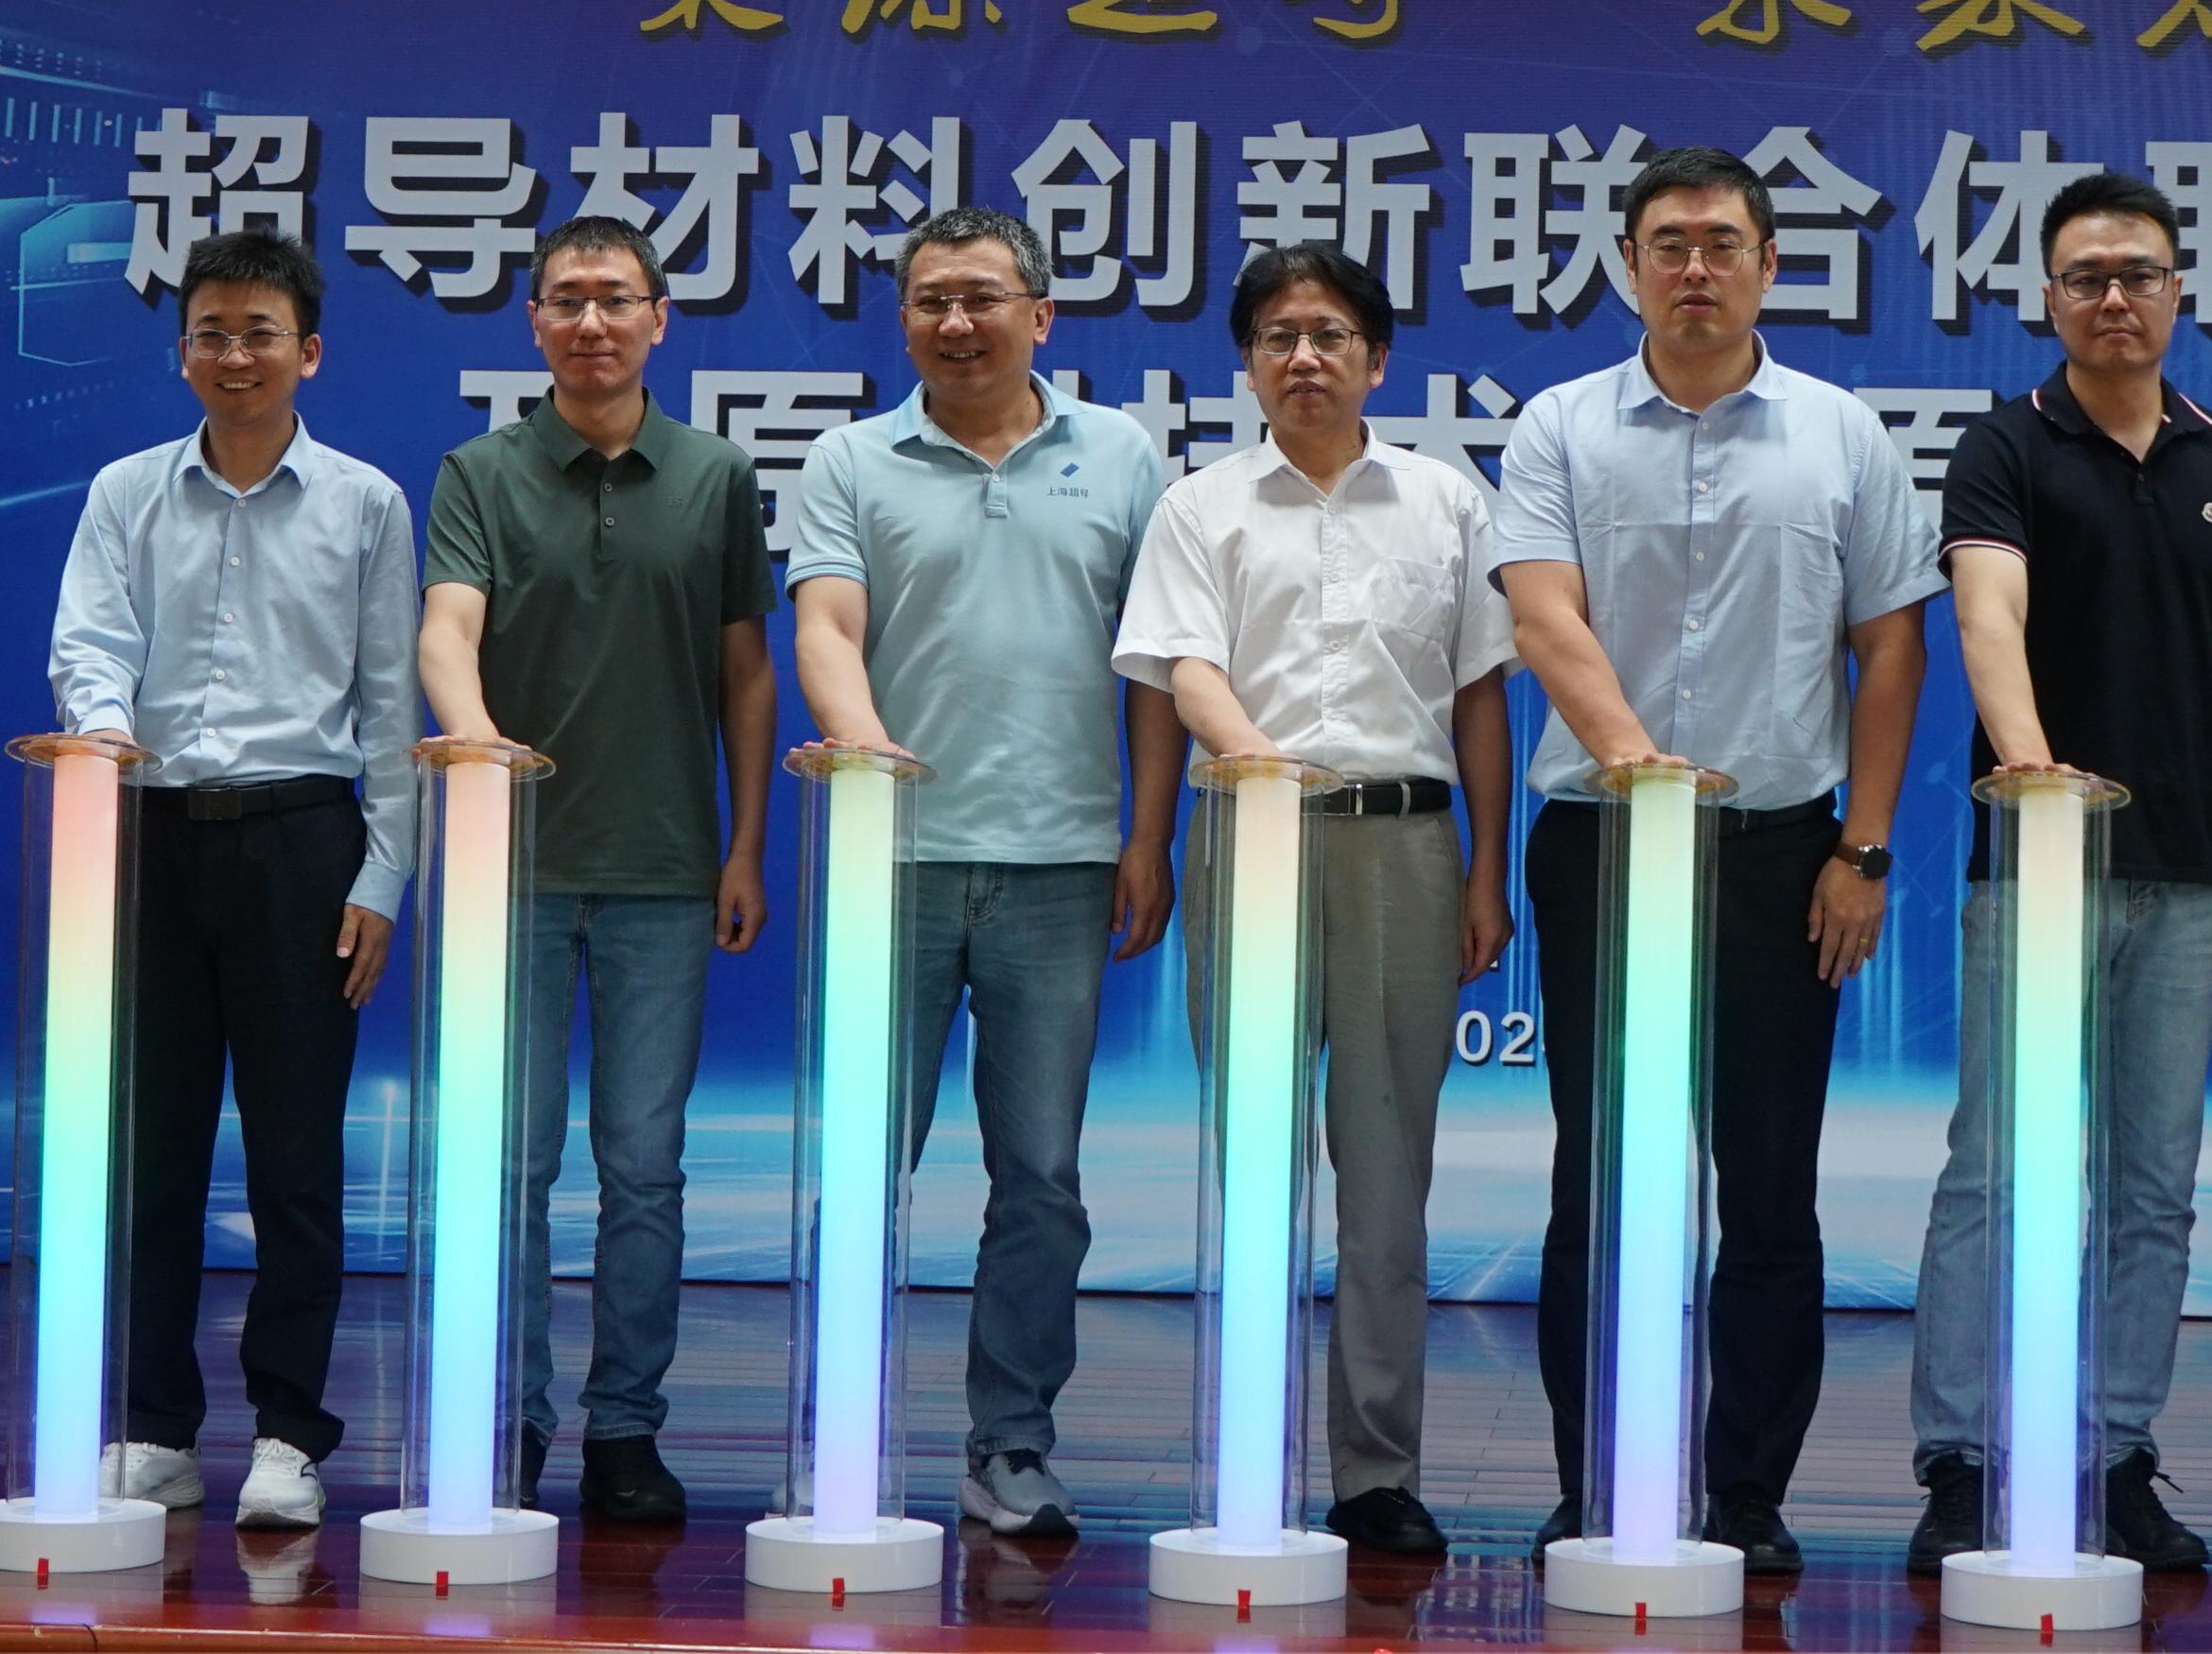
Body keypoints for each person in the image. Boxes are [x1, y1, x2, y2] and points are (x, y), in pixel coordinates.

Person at [1494, 145, 1942, 1573]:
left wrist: (1865, 847)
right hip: (1605, 844)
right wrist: (1647, 772)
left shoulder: (1841, 435)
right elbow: (1544, 619)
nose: (1696, 267)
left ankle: (1747, 1491)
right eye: (1670, 244)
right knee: (1599, 1184)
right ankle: (1599, 1481)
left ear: (1768, 265)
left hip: (1784, 856)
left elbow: (1890, 648)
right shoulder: (1559, 428)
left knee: (1769, 1188)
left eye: (1723, 244)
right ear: (1629, 264)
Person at [1904, 173, 2212, 1573]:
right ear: (2048, 298)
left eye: (2137, 274)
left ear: (2179, 291)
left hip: (2189, 875)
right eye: (2086, 277)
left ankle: (2113, 1451)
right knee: (1996, 1171)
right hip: (2037, 871)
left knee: (2153, 1186)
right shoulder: (2006, 444)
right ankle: (1961, 1462)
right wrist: (2034, 777)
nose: (2114, 297)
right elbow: (1986, 613)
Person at [1112, 244, 1519, 1557]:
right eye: (1278, 336)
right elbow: (1183, 670)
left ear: (1376, 359)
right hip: (1253, 842)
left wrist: (1488, 869)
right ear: (1248, 362)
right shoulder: (1201, 507)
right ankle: (1250, 1453)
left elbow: (1479, 697)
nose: (1304, 357)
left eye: (1331, 334)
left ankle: (1376, 1473)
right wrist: (1235, 792)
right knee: (1256, 1163)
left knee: (1389, 1180)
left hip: (1406, 848)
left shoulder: (1446, 503)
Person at [789, 205, 1184, 1538]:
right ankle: (839, 1436)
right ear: (905, 319)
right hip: (890, 865)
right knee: (862, 1166)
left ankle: (1010, 1443)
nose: (956, 323)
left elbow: (1155, 667)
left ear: (1041, 315)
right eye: (931, 301)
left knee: (1041, 1180)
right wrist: (866, 749)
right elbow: (826, 624)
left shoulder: (1120, 455)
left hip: (1061, 866)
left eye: (982, 297)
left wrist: (1147, 836)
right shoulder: (850, 457)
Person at [48, 226, 417, 1531]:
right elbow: (88, 642)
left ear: (309, 352)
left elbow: (390, 702)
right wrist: (105, 731)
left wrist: (385, 874)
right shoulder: (126, 491)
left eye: (260, 332)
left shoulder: (367, 503)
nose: (235, 354)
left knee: (295, 1158)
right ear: (182, 353)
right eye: (211, 332)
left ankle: (288, 1434)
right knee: (150, 1152)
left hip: (302, 844)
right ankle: (154, 1424)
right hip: (149, 835)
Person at [418, 214, 776, 1522]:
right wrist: (476, 743)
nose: (591, 322)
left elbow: (747, 673)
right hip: (511, 875)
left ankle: (626, 1428)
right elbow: (446, 629)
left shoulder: (716, 474)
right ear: (534, 323)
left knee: (644, 1167)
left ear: (659, 319)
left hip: (668, 871)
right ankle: (508, 1419)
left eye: (616, 299)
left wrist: (745, 845)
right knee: (507, 1163)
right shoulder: (480, 471)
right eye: (566, 300)